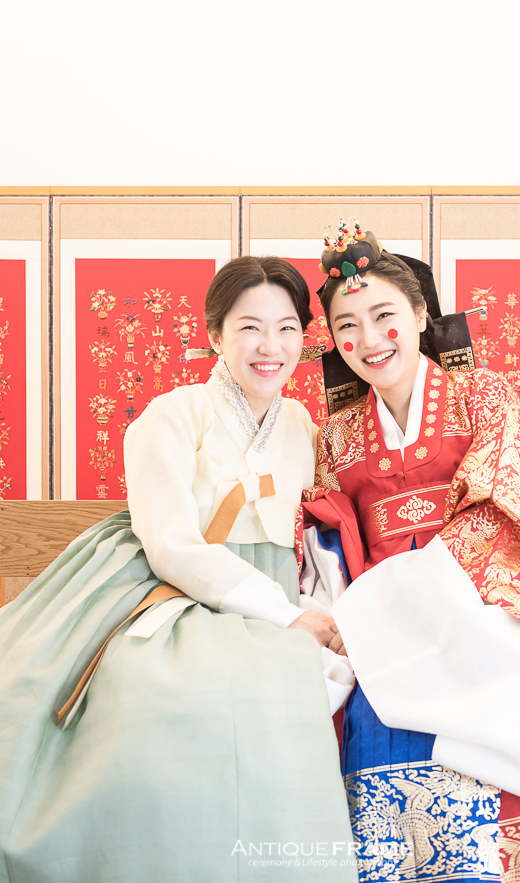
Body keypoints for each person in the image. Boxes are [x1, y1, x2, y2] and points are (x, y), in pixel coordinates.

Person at [300, 222, 520, 882]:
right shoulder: (335, 437)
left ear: (419, 315)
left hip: (482, 602)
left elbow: (516, 504)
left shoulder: (482, 397)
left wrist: (414, 592)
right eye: (347, 326)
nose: (369, 339)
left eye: (384, 316)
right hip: (383, 625)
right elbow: (328, 537)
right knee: (366, 708)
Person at [0, 256, 357, 883]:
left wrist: (321, 610)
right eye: (249, 328)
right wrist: (285, 615)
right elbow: (170, 544)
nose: (270, 347)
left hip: (276, 595)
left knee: (295, 683)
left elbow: (315, 531)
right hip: (169, 589)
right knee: (169, 697)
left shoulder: (303, 424)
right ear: (215, 334)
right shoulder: (171, 415)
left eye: (286, 329)